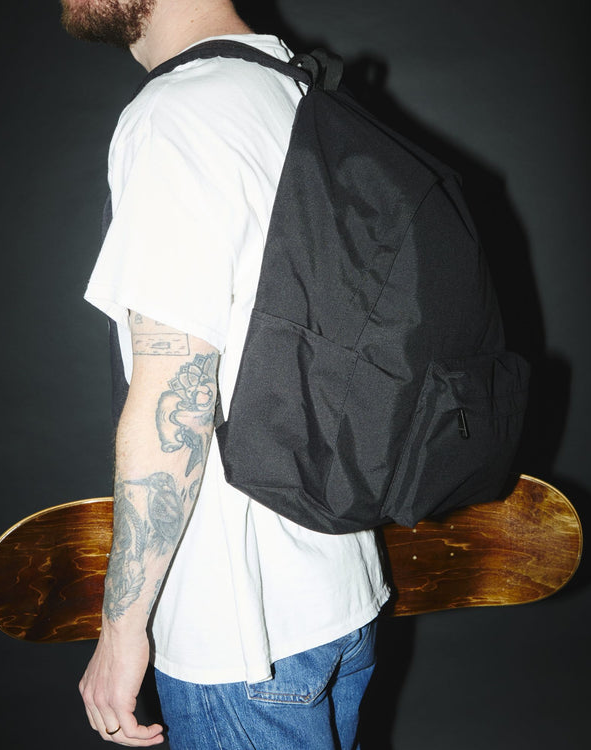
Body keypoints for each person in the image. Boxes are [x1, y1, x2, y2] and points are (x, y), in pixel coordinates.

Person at [61, 1, 390, 746]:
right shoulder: (291, 86)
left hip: (240, 633)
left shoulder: (179, 112)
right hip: (340, 586)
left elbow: (174, 394)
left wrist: (121, 632)